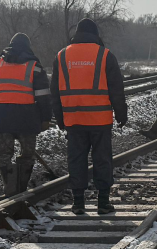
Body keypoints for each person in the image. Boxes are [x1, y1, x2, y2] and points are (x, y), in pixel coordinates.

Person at [52, 18, 129, 214]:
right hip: (100, 120)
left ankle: (78, 203)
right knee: (102, 159)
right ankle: (103, 203)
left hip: (73, 119)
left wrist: (60, 119)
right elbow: (116, 90)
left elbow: (55, 92)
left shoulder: (61, 57)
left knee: (76, 159)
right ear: (96, 35)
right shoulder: (105, 56)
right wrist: (121, 114)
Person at [0, 33, 51, 196]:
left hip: (0, 117)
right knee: (27, 154)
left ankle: (10, 187)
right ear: (28, 47)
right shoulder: (34, 66)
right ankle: (20, 189)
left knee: (3, 155)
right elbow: (44, 98)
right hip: (26, 118)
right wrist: (45, 119)